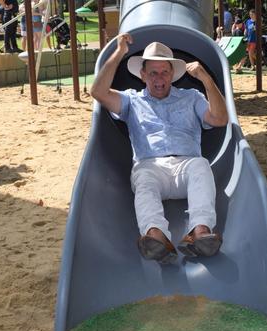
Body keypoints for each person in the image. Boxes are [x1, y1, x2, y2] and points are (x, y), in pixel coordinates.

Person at [90, 33, 228, 264]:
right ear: (142, 75)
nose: (159, 78)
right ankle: (155, 236)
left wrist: (206, 80)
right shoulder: (132, 101)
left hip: (187, 164)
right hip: (150, 165)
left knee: (201, 166)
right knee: (144, 179)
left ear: (172, 74)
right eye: (153, 72)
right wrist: (119, 52)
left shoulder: (191, 97)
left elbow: (220, 119)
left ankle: (200, 231)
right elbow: (98, 92)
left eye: (164, 71)